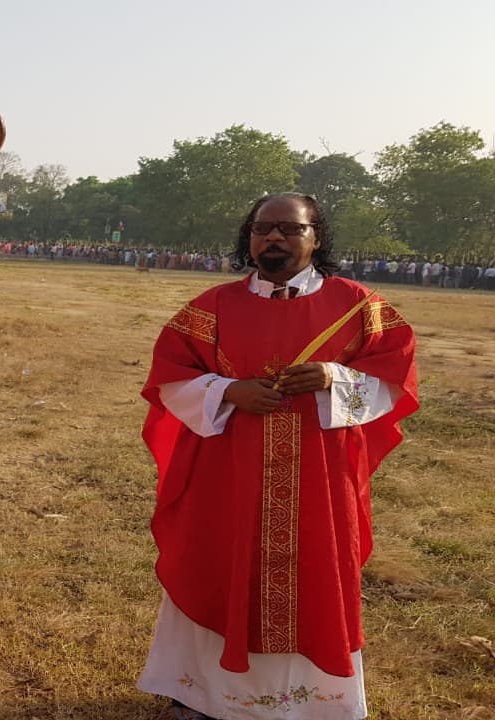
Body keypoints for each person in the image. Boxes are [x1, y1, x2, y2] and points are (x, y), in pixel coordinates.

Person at [137, 192, 418, 720]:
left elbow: (395, 377)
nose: (273, 238)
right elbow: (170, 377)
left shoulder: (358, 306)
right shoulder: (210, 308)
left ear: (316, 238)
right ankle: (203, 695)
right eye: (263, 228)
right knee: (218, 564)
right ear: (249, 237)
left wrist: (334, 379)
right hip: (229, 474)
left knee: (316, 574)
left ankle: (312, 704)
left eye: (290, 229)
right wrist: (226, 392)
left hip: (319, 474)